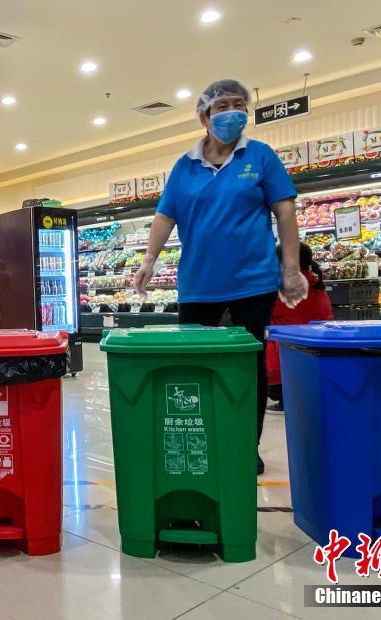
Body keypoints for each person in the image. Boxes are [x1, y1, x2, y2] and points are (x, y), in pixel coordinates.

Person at [134, 79, 308, 475]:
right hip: (198, 283)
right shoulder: (185, 165)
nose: (233, 112)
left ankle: (247, 444)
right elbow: (165, 215)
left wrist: (291, 269)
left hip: (254, 281)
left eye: (239, 105)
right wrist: (149, 259)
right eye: (222, 106)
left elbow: (285, 211)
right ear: (204, 117)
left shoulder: (260, 156)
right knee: (194, 366)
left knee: (249, 366)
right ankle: (203, 437)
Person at [265, 243, 334, 411]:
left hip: (285, 364)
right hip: (319, 356)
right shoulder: (315, 284)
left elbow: (264, 313)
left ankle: (283, 396)